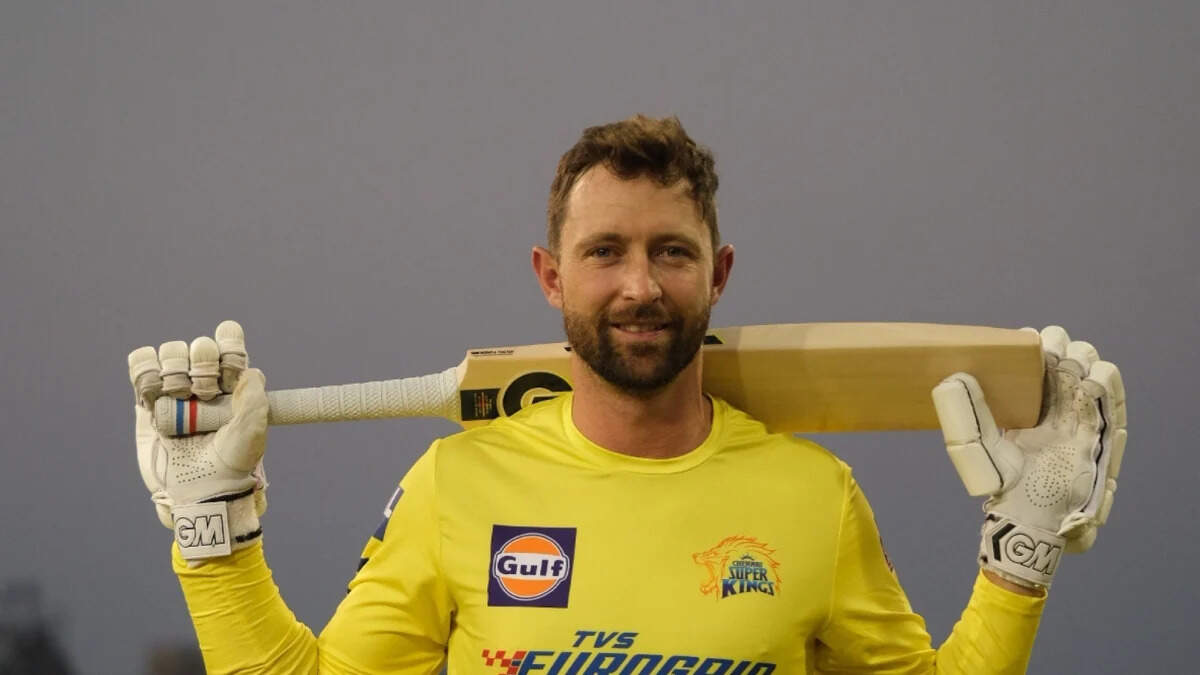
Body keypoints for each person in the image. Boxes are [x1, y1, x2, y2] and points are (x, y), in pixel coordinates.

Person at [128, 115, 1126, 673]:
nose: (640, 285)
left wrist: (1022, 549)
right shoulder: (455, 485)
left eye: (671, 253)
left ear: (719, 274)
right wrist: (215, 537)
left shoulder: (815, 498)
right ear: (550, 276)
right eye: (604, 251)